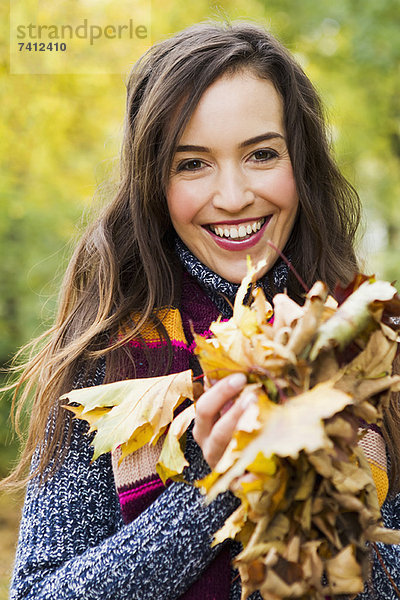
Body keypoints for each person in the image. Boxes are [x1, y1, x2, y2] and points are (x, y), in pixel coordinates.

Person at [5, 20, 400, 600]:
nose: (234, 195)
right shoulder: (107, 357)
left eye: (262, 154)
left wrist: (316, 494)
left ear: (303, 164)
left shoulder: (372, 342)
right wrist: (212, 486)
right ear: (154, 185)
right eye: (193, 163)